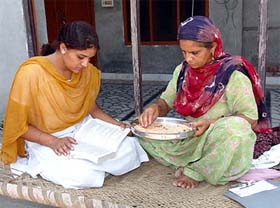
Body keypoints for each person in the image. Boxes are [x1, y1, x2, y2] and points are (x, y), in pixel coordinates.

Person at [0, 21, 148, 189]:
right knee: (82, 175)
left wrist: (119, 126)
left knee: (130, 147)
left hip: (83, 129)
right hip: (46, 138)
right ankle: (87, 167)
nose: (86, 64)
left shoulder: (86, 73)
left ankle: (91, 164)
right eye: (81, 57)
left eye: (89, 58)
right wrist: (53, 141)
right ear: (63, 48)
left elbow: (92, 109)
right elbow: (18, 126)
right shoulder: (31, 74)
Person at [138, 16, 270, 189]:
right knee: (141, 132)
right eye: (184, 52)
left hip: (218, 139)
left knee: (235, 130)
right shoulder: (182, 71)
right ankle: (194, 161)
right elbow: (166, 102)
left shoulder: (232, 74)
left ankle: (197, 171)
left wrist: (210, 124)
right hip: (191, 138)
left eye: (194, 53)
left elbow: (250, 118)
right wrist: (155, 108)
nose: (188, 59)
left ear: (213, 47)